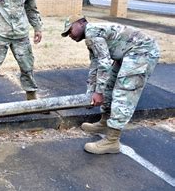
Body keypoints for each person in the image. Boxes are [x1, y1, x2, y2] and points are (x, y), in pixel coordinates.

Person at [61, 15, 160, 154]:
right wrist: (91, 92)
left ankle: (112, 140)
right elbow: (95, 65)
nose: (69, 35)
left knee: (124, 92)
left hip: (142, 52)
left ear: (82, 23)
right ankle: (104, 123)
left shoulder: (92, 33)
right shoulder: (91, 36)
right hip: (127, 53)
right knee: (108, 85)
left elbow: (104, 63)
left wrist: (98, 92)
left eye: (70, 30)